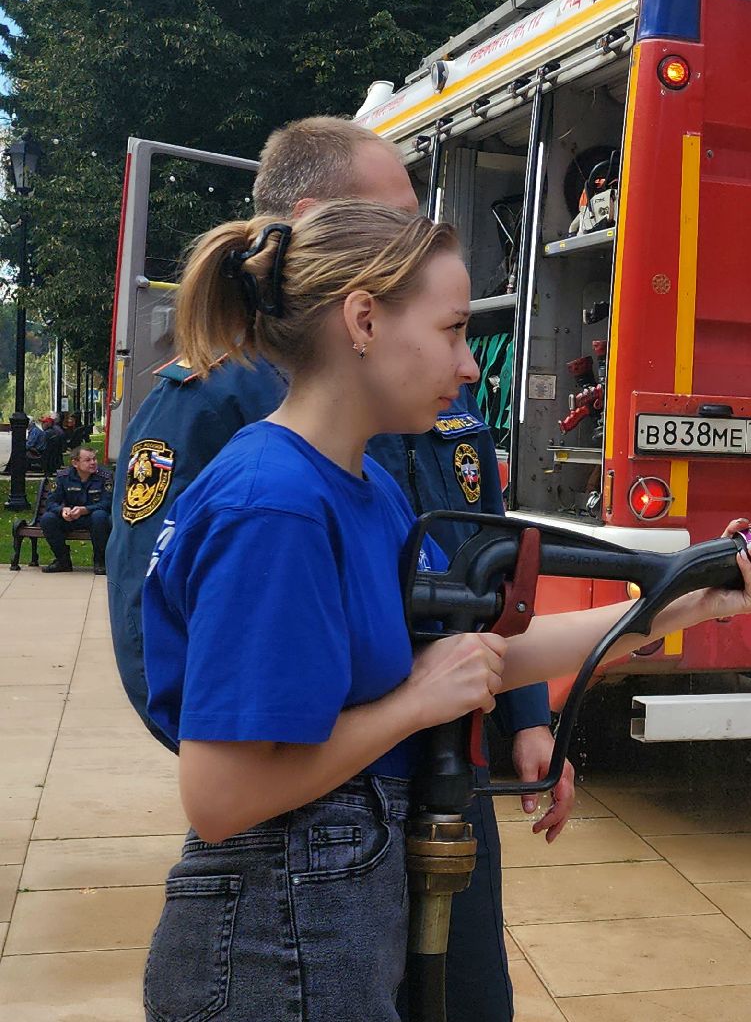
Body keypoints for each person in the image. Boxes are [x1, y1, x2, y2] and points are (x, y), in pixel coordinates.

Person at [140, 201, 751, 1020]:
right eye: (455, 330)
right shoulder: (277, 506)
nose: (469, 366)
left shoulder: (360, 486)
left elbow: (484, 653)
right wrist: (414, 704)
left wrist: (685, 602)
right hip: (275, 940)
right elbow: (221, 796)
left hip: (323, 918)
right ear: (363, 319)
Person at [107, 117, 559, 1022]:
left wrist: (670, 606)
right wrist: (303, 754)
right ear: (358, 303)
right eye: (395, 221)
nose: (470, 365)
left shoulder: (384, 447)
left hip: (416, 788)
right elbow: (184, 676)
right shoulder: (247, 440)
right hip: (317, 829)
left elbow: (464, 592)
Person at [38, 445, 113, 573]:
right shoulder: (63, 477)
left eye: (94, 459)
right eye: (88, 460)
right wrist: (62, 510)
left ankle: (100, 561)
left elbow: (108, 503)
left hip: (93, 517)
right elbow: (51, 502)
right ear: (75, 463)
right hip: (71, 517)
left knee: (100, 516)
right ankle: (63, 561)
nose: (93, 463)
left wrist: (86, 509)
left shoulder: (105, 477)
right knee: (47, 519)